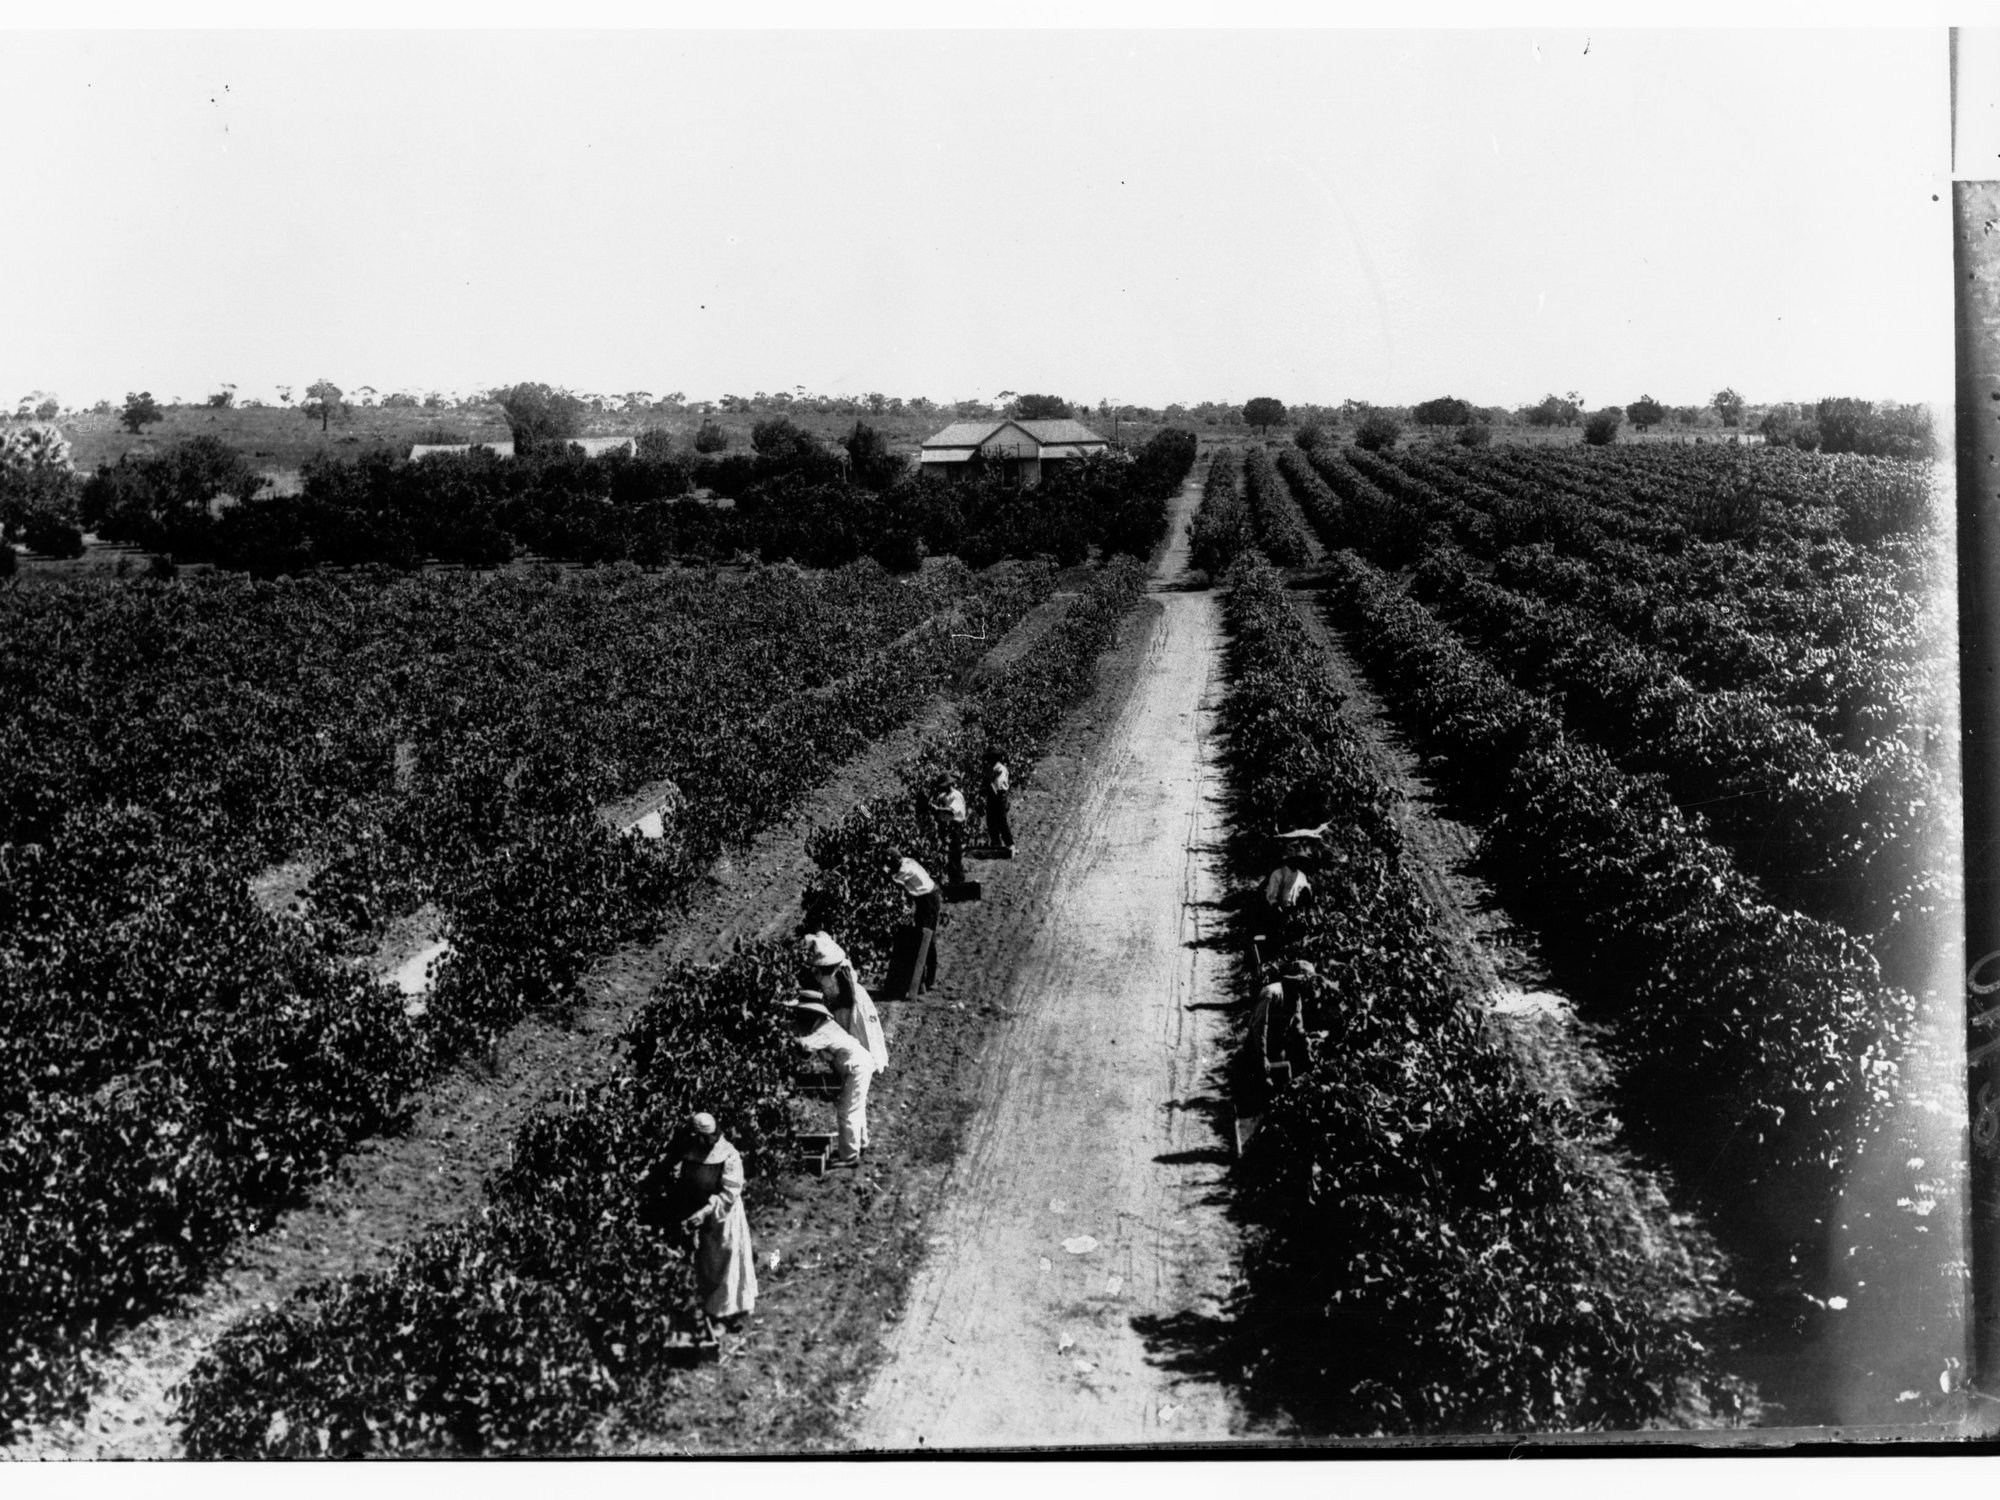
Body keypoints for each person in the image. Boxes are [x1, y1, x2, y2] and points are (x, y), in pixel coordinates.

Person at [673, 1112, 758, 1339]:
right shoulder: (690, 1152)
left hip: (723, 1215)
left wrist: (705, 1211)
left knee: (727, 1260)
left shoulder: (729, 1155)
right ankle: (709, 1310)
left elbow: (730, 1192)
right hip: (698, 1213)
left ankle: (727, 1314)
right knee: (707, 1263)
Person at [790, 999, 876, 1167]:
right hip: (858, 1065)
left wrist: (786, 1036)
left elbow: (804, 1046)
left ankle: (850, 1157)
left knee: (847, 1111)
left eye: (800, 1014)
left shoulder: (823, 1031)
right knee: (856, 1108)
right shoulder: (825, 1026)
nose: (798, 1018)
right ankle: (861, 1143)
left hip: (856, 1068)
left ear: (811, 1014)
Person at [799, 930, 889, 1072]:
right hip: (840, 1007)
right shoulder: (826, 971)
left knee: (863, 1033)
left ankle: (870, 1065)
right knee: (846, 1041)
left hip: (852, 1005)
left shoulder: (838, 972)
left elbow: (844, 993)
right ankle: (852, 1067)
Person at [889, 851, 942, 998]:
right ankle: (924, 980)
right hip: (926, 898)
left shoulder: (904, 870)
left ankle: (925, 981)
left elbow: (894, 879)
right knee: (923, 937)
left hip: (928, 900)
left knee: (926, 938)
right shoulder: (906, 861)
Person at [931, 777, 968, 886]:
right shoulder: (943, 796)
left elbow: (952, 811)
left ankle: (959, 881)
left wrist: (938, 809)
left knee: (955, 854)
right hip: (946, 826)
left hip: (955, 826)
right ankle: (953, 880)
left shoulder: (956, 795)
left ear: (949, 785)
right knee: (949, 855)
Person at [984, 752, 1014, 852]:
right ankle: (996, 843)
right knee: (990, 821)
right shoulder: (991, 768)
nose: (988, 760)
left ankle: (1010, 844)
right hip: (992, 795)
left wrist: (989, 783)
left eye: (990, 758)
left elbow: (996, 786)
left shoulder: (1001, 769)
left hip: (999, 796)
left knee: (1001, 820)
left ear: (995, 758)